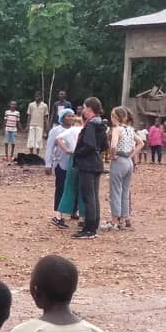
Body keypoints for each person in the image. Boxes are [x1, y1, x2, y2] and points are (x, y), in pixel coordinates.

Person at [73, 98, 107, 240]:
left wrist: (78, 153)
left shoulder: (91, 124)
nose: (83, 110)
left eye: (84, 108)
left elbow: (89, 145)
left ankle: (89, 229)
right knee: (93, 195)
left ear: (89, 108)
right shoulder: (100, 123)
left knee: (88, 196)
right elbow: (104, 145)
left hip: (87, 163)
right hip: (97, 162)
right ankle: (93, 225)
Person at [106, 106, 143, 231]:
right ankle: (124, 218)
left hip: (119, 161)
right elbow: (141, 143)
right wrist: (131, 156)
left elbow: (113, 145)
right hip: (128, 161)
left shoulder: (117, 129)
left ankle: (114, 220)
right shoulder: (130, 129)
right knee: (125, 192)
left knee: (115, 191)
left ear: (115, 117)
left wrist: (112, 156)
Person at [45, 110, 72, 225]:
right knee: (60, 188)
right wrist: (48, 164)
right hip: (60, 163)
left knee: (71, 188)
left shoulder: (75, 129)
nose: (71, 118)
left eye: (72, 116)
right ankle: (57, 214)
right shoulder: (56, 131)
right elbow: (50, 147)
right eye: (68, 116)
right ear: (62, 117)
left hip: (73, 164)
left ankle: (72, 211)